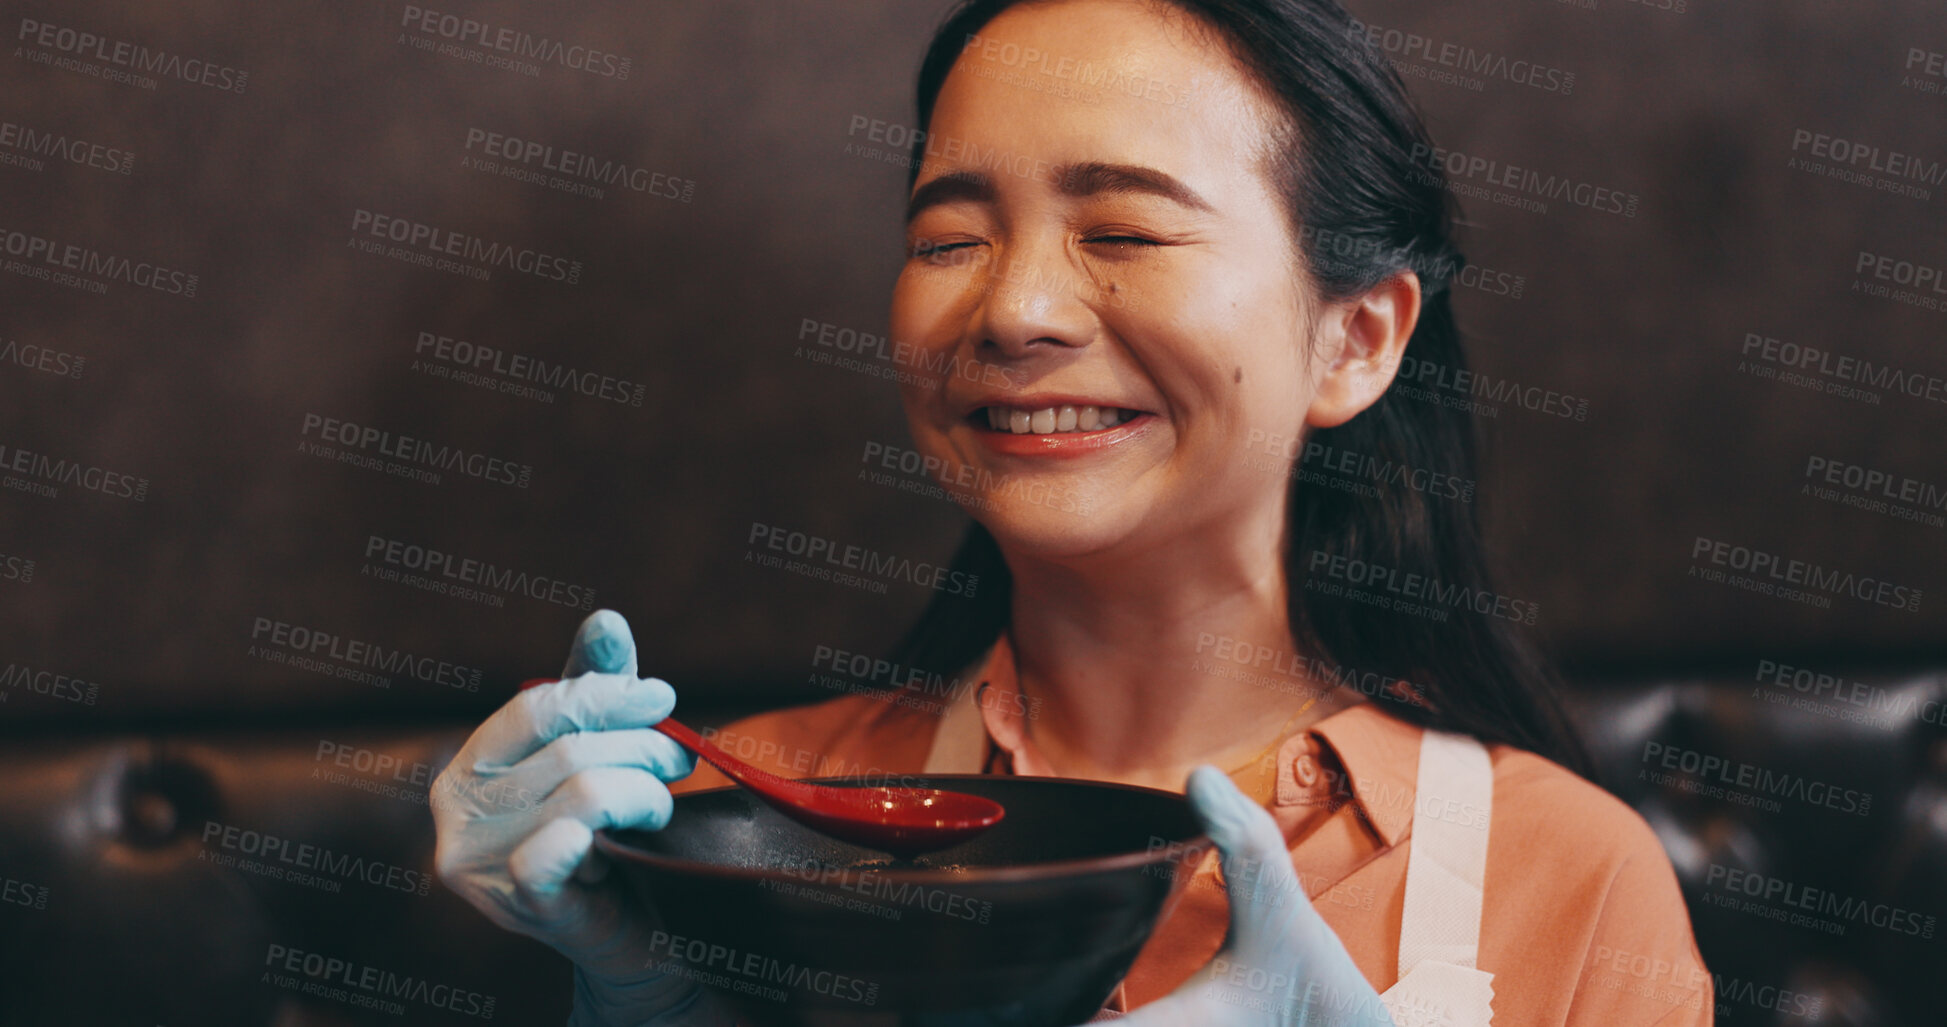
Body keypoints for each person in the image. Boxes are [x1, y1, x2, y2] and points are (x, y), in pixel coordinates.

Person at [432, 1, 1714, 1024]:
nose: (1013, 311)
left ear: (1355, 340)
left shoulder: (1572, 875)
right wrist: (641, 995)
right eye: (949, 241)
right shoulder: (750, 827)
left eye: (1129, 231)